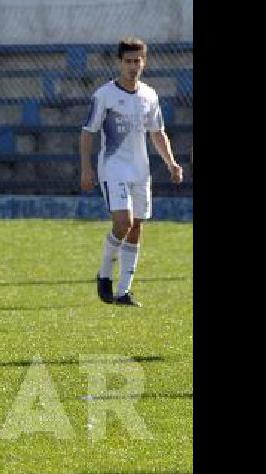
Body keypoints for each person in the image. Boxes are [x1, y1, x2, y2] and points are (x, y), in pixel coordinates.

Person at [80, 37, 184, 307]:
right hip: (113, 167)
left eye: (138, 60)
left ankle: (124, 291)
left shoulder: (149, 95)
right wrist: (86, 168)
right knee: (123, 223)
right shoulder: (105, 95)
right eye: (128, 61)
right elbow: (88, 132)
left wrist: (171, 163)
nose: (133, 66)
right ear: (120, 62)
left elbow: (157, 132)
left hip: (140, 169)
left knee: (137, 226)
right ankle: (104, 275)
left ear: (144, 62)